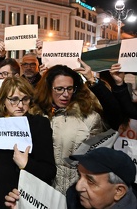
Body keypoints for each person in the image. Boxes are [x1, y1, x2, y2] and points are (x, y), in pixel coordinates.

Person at [0, 77, 56, 208]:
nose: (20, 105)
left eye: (25, 99)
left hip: (23, 200)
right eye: (14, 99)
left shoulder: (39, 125)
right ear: (3, 100)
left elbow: (49, 171)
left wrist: (27, 164)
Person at [31, 64, 105, 194]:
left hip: (74, 193)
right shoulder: (34, 114)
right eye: (59, 89)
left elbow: (96, 162)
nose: (65, 94)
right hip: (39, 192)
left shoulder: (89, 117)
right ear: (48, 89)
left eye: (70, 89)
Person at [66, 147, 137, 209]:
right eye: (79, 175)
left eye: (90, 181)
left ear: (118, 191)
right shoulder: (73, 198)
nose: (78, 187)